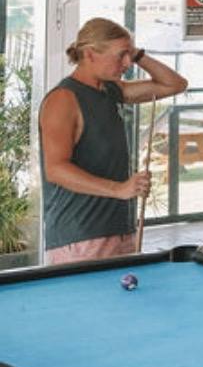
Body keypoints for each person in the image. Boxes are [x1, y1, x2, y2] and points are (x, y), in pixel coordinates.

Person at [39, 18, 188, 264]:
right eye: (120, 56)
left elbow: (175, 84)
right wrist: (119, 189)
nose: (127, 64)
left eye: (128, 56)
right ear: (90, 54)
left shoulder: (110, 91)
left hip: (118, 231)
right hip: (81, 238)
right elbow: (55, 169)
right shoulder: (63, 99)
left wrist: (138, 54)